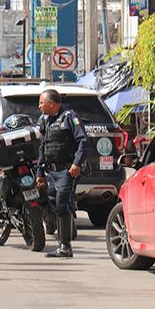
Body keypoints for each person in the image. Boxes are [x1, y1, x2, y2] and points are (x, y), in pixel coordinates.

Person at [37, 89, 90, 258]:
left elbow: (83, 141)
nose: (39, 106)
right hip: (51, 171)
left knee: (61, 204)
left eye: (41, 102)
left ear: (51, 103)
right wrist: (39, 172)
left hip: (66, 170)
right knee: (55, 205)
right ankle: (63, 243)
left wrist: (76, 164)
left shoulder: (69, 117)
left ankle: (65, 246)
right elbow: (42, 147)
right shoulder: (46, 120)